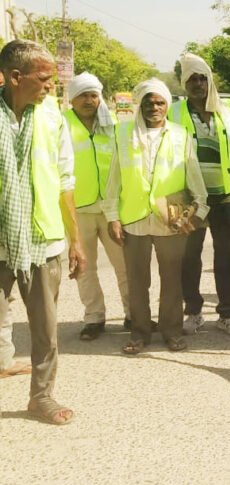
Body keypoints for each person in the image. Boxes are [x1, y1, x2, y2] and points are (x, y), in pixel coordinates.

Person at [0, 39, 86, 424]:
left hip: (43, 239)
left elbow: (65, 179)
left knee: (45, 331)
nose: (51, 86)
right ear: (15, 77)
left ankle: (41, 396)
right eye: (44, 78)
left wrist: (76, 240)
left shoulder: (52, 116)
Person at [104, 79, 209, 355]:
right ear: (141, 105)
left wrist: (199, 207)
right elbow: (113, 177)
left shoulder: (180, 134)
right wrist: (113, 216)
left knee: (172, 279)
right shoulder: (123, 134)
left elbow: (192, 173)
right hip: (134, 217)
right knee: (137, 280)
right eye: (149, 102)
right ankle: (139, 333)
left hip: (170, 216)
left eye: (160, 102)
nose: (154, 107)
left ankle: (172, 332)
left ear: (167, 106)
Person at [170, 54, 230, 338]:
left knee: (228, 256)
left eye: (202, 78)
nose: (198, 84)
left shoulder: (227, 111)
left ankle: (228, 315)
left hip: (224, 195)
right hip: (188, 197)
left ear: (210, 80)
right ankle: (193, 312)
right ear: (183, 83)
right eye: (192, 79)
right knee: (189, 256)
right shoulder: (174, 112)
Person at [64, 72, 131, 341]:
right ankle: (94, 317)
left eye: (94, 95)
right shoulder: (62, 125)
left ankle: (133, 314)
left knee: (124, 265)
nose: (89, 100)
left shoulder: (112, 123)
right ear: (72, 99)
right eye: (83, 95)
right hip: (78, 209)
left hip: (111, 208)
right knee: (84, 267)